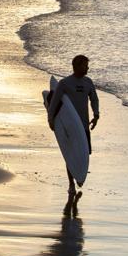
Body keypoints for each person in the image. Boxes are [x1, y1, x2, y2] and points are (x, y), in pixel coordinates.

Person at [48, 54, 100, 202]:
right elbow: (54, 102)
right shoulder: (65, 83)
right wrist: (50, 118)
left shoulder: (88, 82)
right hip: (70, 126)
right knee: (70, 153)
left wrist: (96, 115)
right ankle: (71, 183)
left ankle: (79, 173)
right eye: (85, 65)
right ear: (76, 66)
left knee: (85, 152)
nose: (87, 67)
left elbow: (94, 99)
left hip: (83, 125)